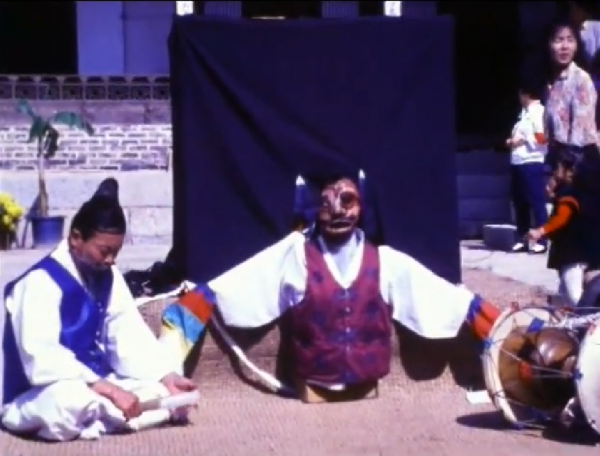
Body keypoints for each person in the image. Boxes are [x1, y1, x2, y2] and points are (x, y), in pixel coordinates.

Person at [163, 172, 501, 396]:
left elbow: (448, 300)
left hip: (368, 378)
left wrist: (499, 329)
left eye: (347, 200)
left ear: (362, 206)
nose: (338, 211)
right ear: (314, 209)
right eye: (326, 204)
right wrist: (186, 317)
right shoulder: (295, 255)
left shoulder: (386, 261)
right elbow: (232, 286)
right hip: (312, 381)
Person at [1, 178, 197, 442]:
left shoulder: (107, 275)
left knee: (164, 390)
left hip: (98, 384)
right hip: (38, 392)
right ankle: (118, 413)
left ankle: (108, 415)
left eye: (116, 252)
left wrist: (166, 376)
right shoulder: (38, 282)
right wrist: (110, 390)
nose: (111, 260)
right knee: (68, 403)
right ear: (76, 238)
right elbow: (42, 358)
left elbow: (128, 337)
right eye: (104, 251)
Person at [528, 150, 586, 306]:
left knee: (574, 296)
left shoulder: (570, 191)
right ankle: (569, 319)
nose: (555, 171)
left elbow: (562, 217)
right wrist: (552, 192)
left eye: (559, 167)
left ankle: (591, 318)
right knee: (564, 293)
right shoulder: (574, 189)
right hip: (573, 248)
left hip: (573, 251)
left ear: (570, 171)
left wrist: (540, 231)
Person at [543, 19, 598, 170]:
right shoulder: (552, 80)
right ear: (549, 44)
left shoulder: (580, 79)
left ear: (576, 46)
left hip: (577, 164)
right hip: (555, 159)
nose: (565, 46)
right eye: (559, 40)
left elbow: (579, 136)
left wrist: (563, 169)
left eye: (570, 40)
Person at [506, 80, 549, 253]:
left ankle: (542, 240)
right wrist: (512, 141)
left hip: (531, 162)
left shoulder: (538, 112)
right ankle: (522, 238)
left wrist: (523, 140)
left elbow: (542, 138)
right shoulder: (523, 114)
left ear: (526, 94)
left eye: (520, 94)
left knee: (536, 201)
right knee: (520, 202)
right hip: (518, 161)